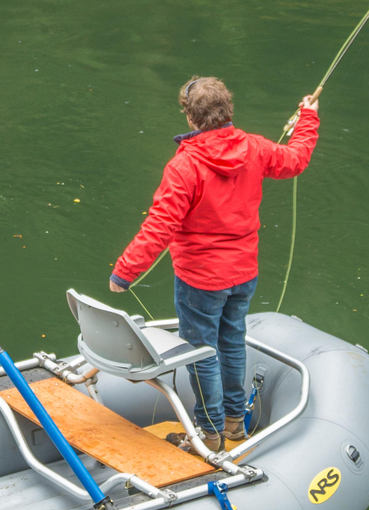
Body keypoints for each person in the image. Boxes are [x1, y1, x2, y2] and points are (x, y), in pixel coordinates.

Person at [109, 75, 319, 453]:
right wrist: (309, 117)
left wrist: (125, 272)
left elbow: (160, 226)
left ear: (190, 118)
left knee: (201, 353)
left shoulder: (184, 167)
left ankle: (210, 435)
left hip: (200, 282)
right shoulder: (254, 148)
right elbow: (296, 159)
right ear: (229, 111)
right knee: (232, 343)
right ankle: (235, 426)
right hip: (243, 275)